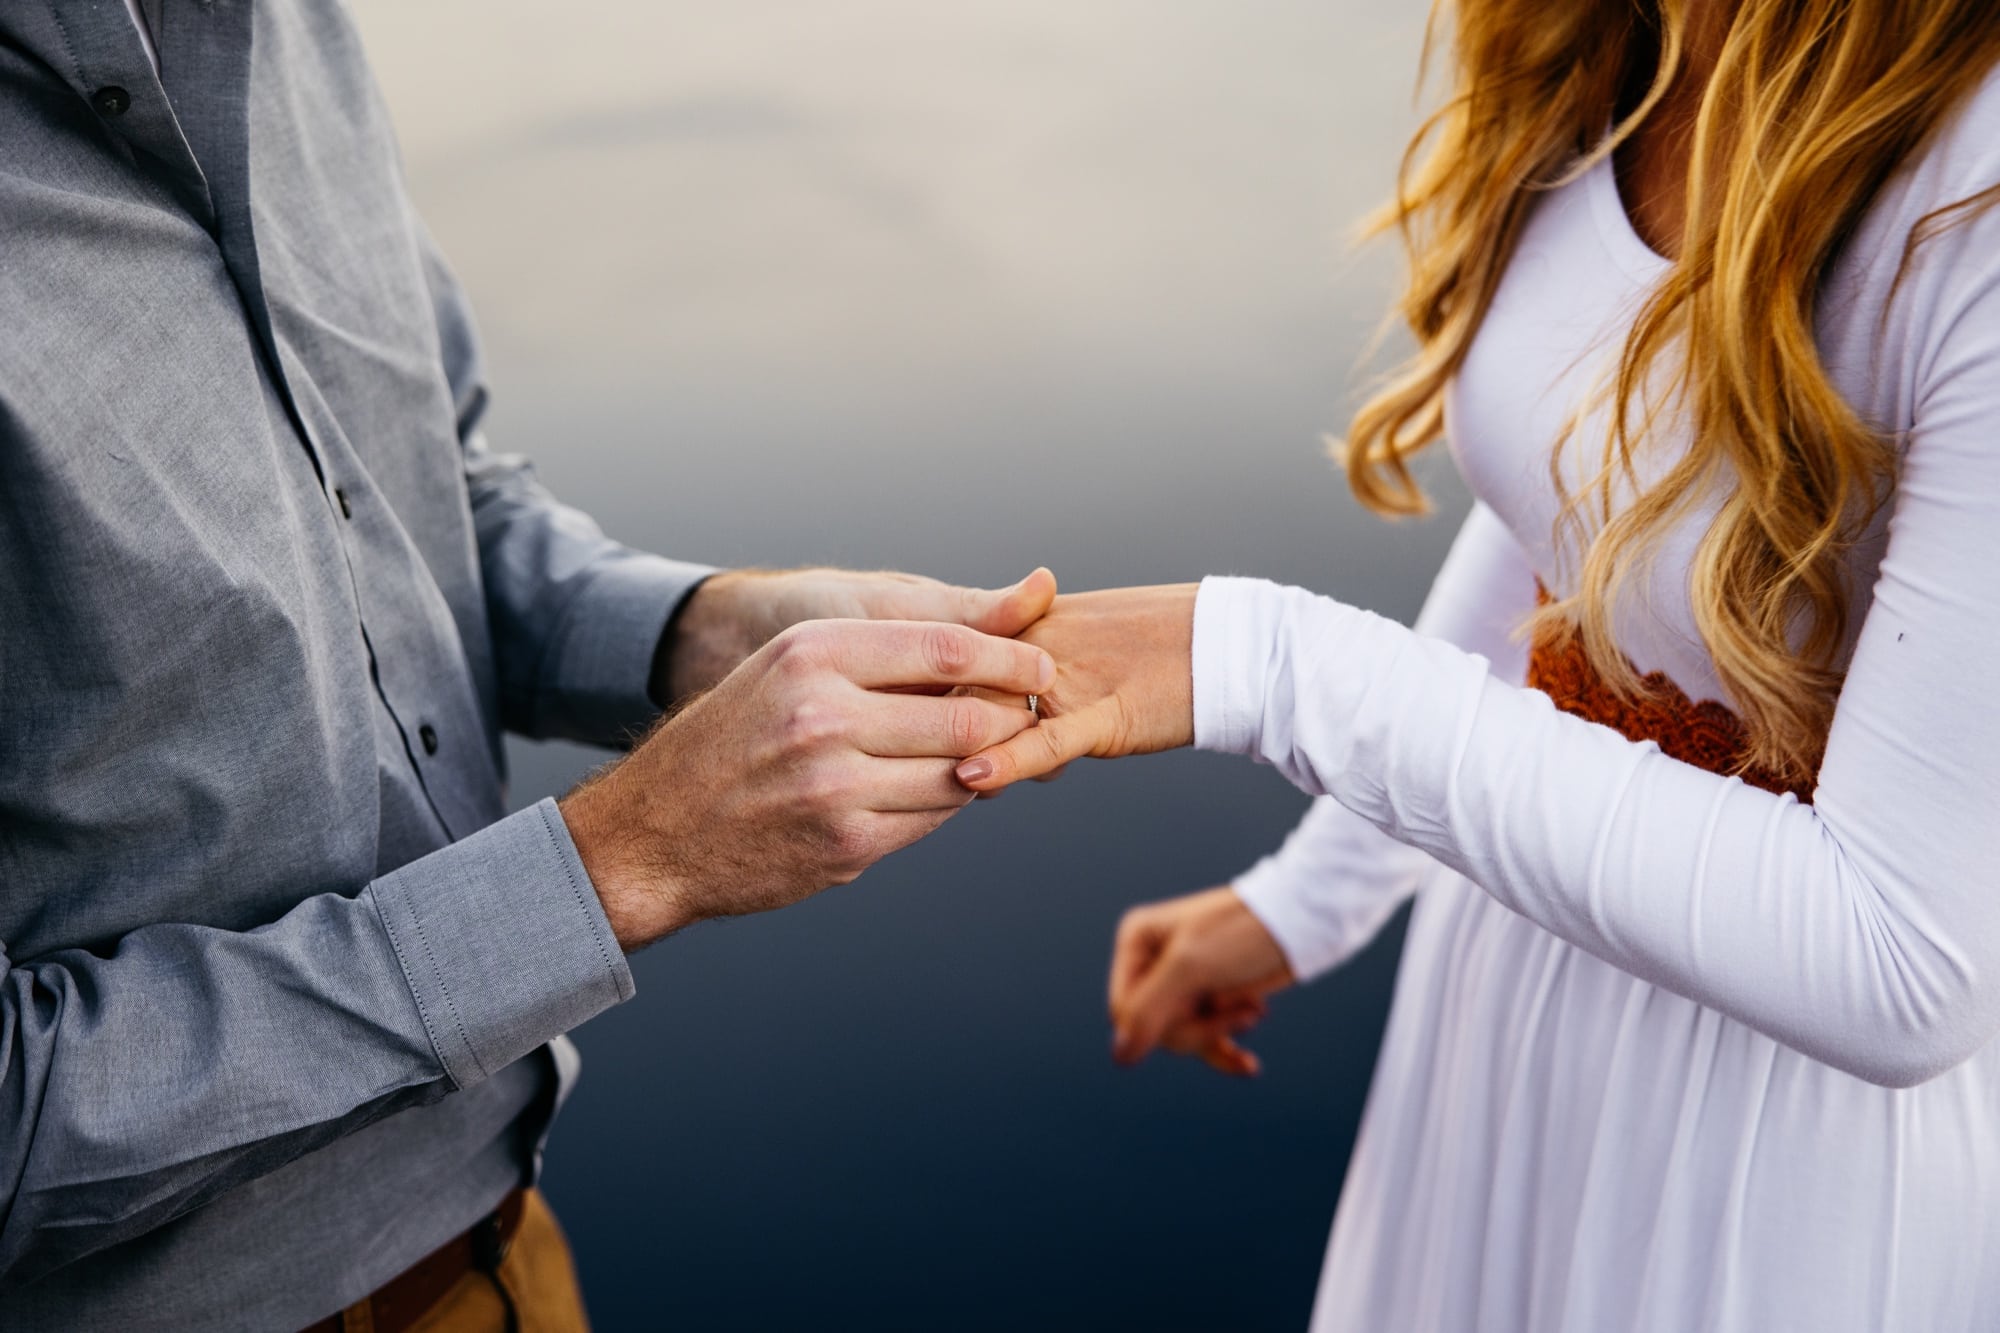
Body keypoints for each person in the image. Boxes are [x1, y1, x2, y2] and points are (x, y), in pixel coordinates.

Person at [0, 2, 1059, 1328]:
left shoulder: (290, 37)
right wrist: (619, 860)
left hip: (508, 1245)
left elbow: (425, 500)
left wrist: (705, 630)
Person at [957, 2, 2000, 1328]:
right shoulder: (1622, 32)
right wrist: (1319, 891)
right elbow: (1573, 520)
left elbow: (1903, 962)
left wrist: (1267, 666)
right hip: (1507, 1003)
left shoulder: (1977, 197)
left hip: (1780, 1146)